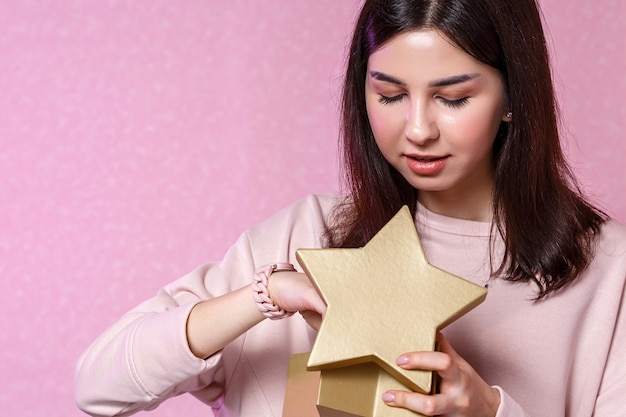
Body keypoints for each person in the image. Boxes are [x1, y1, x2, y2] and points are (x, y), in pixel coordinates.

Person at [75, 0, 626, 416]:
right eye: (388, 94)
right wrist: (265, 295)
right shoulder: (305, 234)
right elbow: (98, 386)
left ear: (513, 97)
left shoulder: (608, 271)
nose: (417, 130)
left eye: (453, 98)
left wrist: (489, 410)